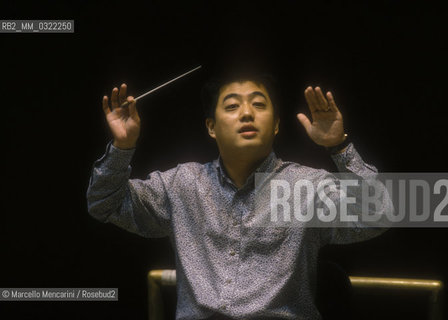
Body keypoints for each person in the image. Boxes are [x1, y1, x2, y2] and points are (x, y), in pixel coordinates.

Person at [86, 70, 391, 319]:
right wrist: (122, 149)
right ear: (211, 127)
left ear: (275, 125)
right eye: (232, 106)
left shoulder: (306, 188)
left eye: (259, 105)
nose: (246, 113)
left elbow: (380, 214)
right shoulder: (183, 184)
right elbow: (104, 204)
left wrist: (339, 147)